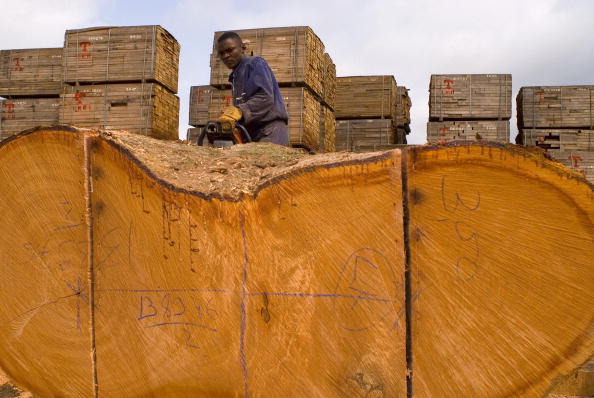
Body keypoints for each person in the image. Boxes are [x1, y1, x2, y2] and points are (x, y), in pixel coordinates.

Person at [216, 31, 289, 146]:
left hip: (270, 131)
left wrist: (239, 111)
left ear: (243, 48)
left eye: (230, 50)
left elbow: (265, 97)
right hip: (252, 134)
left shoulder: (254, 64)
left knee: (266, 163)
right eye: (222, 53)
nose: (226, 56)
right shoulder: (235, 76)